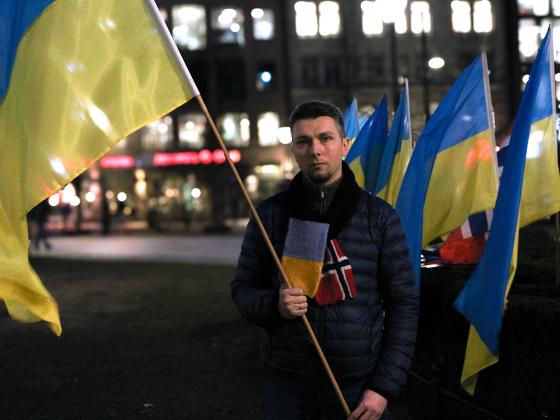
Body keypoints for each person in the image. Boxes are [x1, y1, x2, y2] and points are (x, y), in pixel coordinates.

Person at [231, 100, 418, 419]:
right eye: (303, 141)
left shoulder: (380, 218)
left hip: (358, 391)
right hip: (287, 389)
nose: (315, 149)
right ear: (294, 149)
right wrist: (274, 306)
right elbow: (243, 290)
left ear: (344, 145)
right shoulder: (271, 216)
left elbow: (404, 305)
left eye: (325, 138)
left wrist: (383, 388)